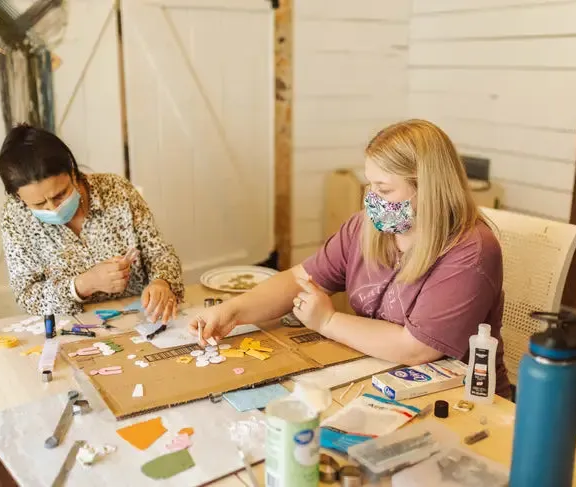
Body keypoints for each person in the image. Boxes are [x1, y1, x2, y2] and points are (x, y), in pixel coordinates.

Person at [190, 119, 511, 397]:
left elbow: (417, 348)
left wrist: (328, 321)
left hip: (459, 398)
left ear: (428, 189)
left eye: (383, 190)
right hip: (379, 377)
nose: (371, 199)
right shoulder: (366, 227)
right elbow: (299, 279)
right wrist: (233, 311)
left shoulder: (471, 252)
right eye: (369, 184)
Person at [0, 124, 183, 321]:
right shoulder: (16, 218)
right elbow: (27, 296)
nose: (53, 208)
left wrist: (162, 283)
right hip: (73, 328)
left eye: (60, 194)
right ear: (19, 198)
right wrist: (83, 284)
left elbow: (159, 253)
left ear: (72, 172)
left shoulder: (116, 190)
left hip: (141, 317)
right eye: (39, 203)